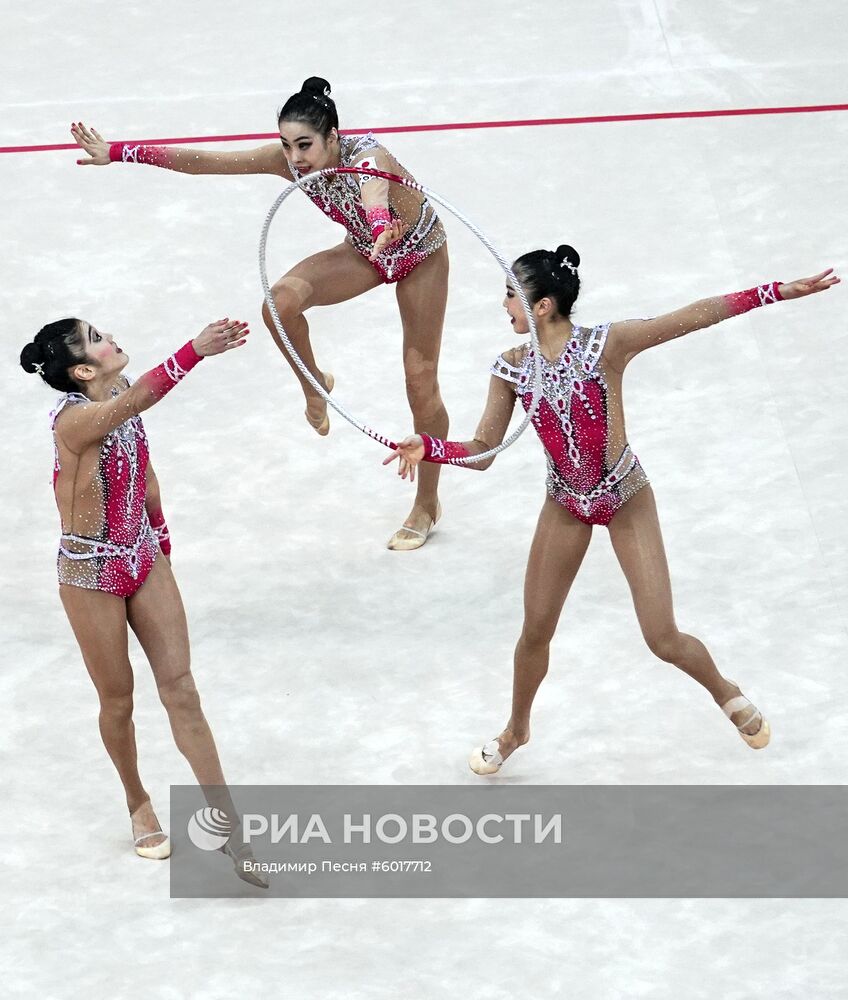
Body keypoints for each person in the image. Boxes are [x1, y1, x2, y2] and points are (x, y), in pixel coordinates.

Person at [384, 245, 839, 773]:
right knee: (535, 631)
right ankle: (516, 729)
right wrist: (432, 447)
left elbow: (692, 316)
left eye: (511, 294)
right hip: (566, 504)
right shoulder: (510, 369)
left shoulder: (607, 345)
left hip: (625, 496)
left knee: (662, 637)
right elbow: (484, 450)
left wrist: (775, 291)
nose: (503, 305)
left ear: (544, 305)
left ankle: (726, 691)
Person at [70, 76, 449, 550]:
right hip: (366, 251)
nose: (296, 158)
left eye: (306, 145)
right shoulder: (288, 163)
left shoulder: (368, 159)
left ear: (334, 138)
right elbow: (206, 161)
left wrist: (378, 228)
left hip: (418, 253)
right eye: (288, 145)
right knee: (279, 304)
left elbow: (373, 195)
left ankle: (427, 502)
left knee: (420, 378)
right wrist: (122, 152)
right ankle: (315, 387)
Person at [20, 316, 267, 886]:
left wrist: (163, 544)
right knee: (119, 700)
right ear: (84, 370)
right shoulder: (78, 420)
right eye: (96, 338)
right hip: (88, 570)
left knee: (182, 690)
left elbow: (147, 478)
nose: (112, 338)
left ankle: (229, 825)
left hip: (142, 555)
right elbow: (136, 403)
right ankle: (137, 800)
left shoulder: (119, 410)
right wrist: (194, 352)